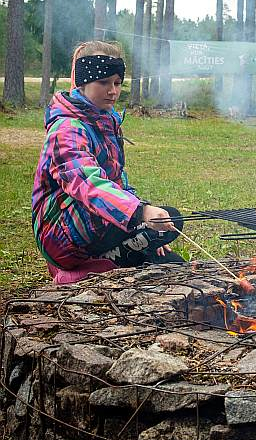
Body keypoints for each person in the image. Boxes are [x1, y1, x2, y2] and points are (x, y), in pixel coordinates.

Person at [32, 40, 184, 285]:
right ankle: (84, 268)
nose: (112, 91)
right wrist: (140, 212)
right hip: (59, 235)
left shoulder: (106, 121)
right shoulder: (67, 128)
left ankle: (119, 256)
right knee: (158, 219)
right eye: (103, 83)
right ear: (82, 82)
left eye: (117, 83)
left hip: (92, 225)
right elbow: (88, 184)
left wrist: (146, 227)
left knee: (171, 248)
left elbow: (117, 182)